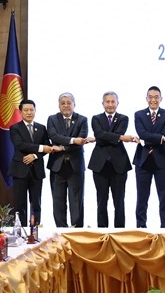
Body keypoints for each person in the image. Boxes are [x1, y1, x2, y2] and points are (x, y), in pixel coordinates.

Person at [88, 91, 139, 228]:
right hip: (100, 165)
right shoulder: (96, 118)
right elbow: (99, 134)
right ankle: (102, 231)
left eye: (113, 102)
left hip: (119, 165)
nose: (110, 104)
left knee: (119, 202)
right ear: (103, 103)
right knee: (101, 201)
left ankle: (120, 231)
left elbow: (105, 136)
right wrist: (120, 138)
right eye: (107, 102)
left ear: (117, 103)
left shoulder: (123, 118)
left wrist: (110, 137)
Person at [46, 92, 94, 228]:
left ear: (74, 104)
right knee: (58, 200)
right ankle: (61, 230)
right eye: (63, 103)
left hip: (75, 166)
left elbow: (82, 138)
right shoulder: (52, 119)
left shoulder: (82, 119)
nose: (66, 106)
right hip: (57, 166)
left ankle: (76, 230)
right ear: (59, 105)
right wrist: (73, 140)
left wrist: (61, 147)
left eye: (69, 103)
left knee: (77, 200)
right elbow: (54, 136)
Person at [133, 86, 165, 228]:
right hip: (143, 161)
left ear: (161, 99)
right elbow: (142, 133)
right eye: (150, 97)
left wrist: (147, 139)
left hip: (162, 161)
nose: (153, 100)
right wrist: (161, 138)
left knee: (164, 198)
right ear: (146, 99)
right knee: (142, 198)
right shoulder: (139, 114)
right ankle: (140, 228)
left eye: (156, 97)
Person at [10, 99, 56, 226]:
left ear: (35, 111)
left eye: (31, 110)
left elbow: (48, 146)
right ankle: (22, 229)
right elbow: (20, 145)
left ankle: (35, 230)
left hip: (36, 170)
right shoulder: (15, 128)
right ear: (20, 112)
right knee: (20, 204)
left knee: (36, 203)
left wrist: (35, 155)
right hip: (20, 170)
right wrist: (40, 148)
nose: (29, 112)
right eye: (26, 110)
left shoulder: (41, 128)